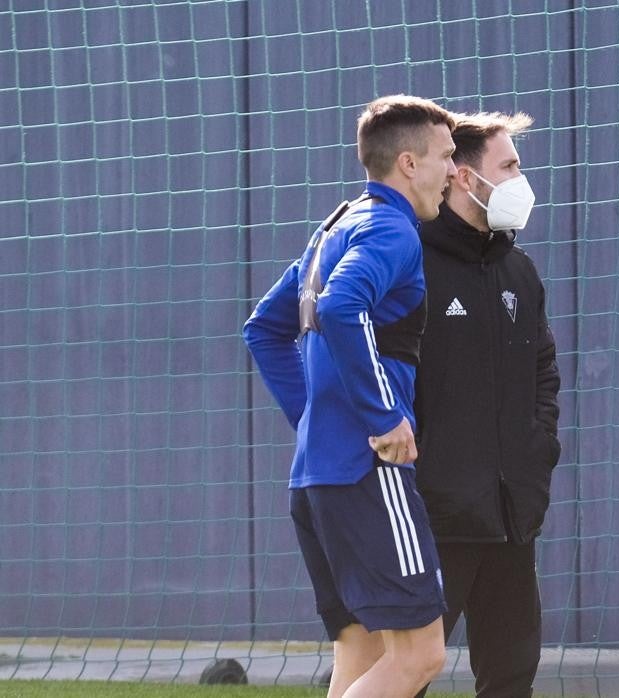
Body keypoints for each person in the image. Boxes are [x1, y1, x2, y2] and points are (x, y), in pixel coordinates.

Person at [243, 95, 457, 698]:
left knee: (362, 655)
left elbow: (263, 329)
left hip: (317, 477)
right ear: (409, 163)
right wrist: (383, 415)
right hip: (370, 472)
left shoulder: (336, 225)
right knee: (419, 655)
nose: (453, 170)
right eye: (445, 156)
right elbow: (341, 307)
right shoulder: (392, 229)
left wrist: (314, 418)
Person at [410, 110, 561, 698]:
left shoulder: (518, 269)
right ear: (464, 178)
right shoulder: (411, 263)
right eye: (511, 166)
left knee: (511, 677)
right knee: (410, 669)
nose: (522, 179)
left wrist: (538, 447)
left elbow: (544, 371)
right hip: (438, 516)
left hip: (512, 517)